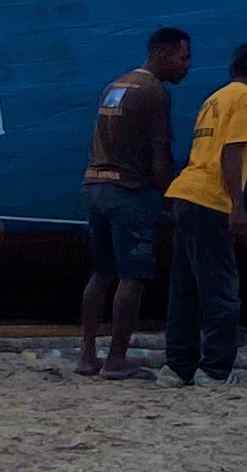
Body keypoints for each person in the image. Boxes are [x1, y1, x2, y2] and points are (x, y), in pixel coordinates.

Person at [76, 28, 189, 381]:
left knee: (101, 272)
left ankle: (86, 355)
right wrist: (172, 203)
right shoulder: (155, 93)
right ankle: (116, 359)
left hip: (94, 185)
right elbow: (160, 157)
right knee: (133, 276)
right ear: (163, 54)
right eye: (183, 57)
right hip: (127, 192)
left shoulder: (116, 86)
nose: (187, 66)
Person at [163, 42, 247, 386]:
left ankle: (177, 367)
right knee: (221, 289)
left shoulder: (215, 97)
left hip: (184, 192)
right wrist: (237, 206)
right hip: (210, 199)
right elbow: (232, 149)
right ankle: (215, 370)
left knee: (185, 288)